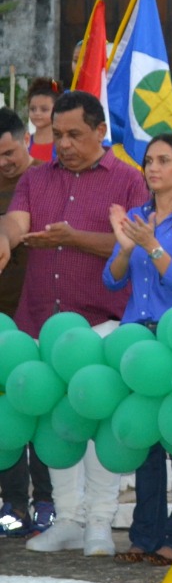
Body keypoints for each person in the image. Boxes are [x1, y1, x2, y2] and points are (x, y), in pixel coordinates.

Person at [0, 91, 148, 557]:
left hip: (103, 322)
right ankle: (66, 519)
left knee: (97, 422)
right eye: (58, 134)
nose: (63, 144)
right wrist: (5, 238)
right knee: (56, 425)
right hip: (41, 323)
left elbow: (134, 247)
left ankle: (99, 523)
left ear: (101, 132)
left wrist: (75, 238)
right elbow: (16, 222)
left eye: (74, 135)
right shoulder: (36, 178)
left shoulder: (130, 180)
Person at [104, 133, 172, 567]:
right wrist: (126, 248)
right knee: (145, 439)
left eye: (164, 160)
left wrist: (152, 247)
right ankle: (144, 535)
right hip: (138, 338)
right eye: (149, 160)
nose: (152, 168)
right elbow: (112, 279)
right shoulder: (136, 216)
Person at [0, 108, 53, 539]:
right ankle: (14, 503)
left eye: (8, 153)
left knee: (40, 407)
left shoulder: (44, 182)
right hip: (1, 323)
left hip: (39, 316)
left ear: (26, 141)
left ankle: (48, 502)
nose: (3, 163)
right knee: (7, 415)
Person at [25, 78, 58, 163]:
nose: (37, 113)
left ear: (57, 110)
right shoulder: (24, 143)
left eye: (44, 109)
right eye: (33, 109)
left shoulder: (62, 143)